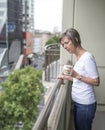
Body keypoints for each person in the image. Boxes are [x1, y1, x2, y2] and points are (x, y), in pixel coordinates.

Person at [57, 28, 100, 130]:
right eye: (63, 45)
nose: (65, 47)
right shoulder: (78, 57)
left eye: (66, 43)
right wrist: (66, 77)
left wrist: (76, 75)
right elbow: (79, 80)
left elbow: (96, 81)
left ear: (76, 39)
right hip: (78, 103)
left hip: (85, 105)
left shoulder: (87, 57)